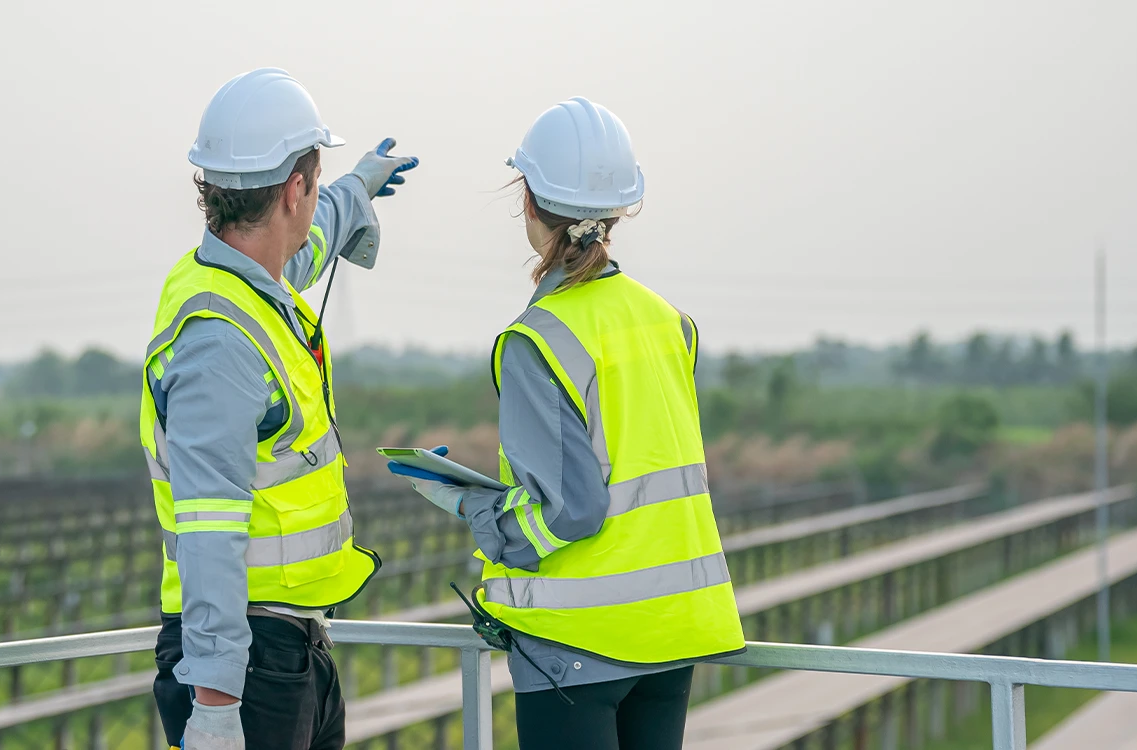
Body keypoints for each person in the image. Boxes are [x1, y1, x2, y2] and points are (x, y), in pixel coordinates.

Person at [387, 97, 745, 750]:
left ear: (527, 200)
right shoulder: (670, 321)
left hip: (574, 643)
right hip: (673, 635)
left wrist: (474, 509)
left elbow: (572, 510)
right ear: (619, 211)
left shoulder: (538, 338)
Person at [143, 67, 418, 750]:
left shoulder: (244, 279)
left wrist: (356, 189)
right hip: (245, 667)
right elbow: (210, 527)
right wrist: (213, 703)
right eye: (315, 181)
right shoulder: (220, 341)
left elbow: (311, 239)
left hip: (285, 648)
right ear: (295, 186)